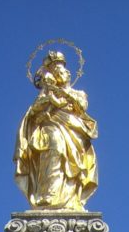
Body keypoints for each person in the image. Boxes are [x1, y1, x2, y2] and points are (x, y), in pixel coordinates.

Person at [14, 50, 98, 211]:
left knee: (72, 163)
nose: (60, 73)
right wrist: (47, 96)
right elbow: (34, 110)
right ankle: (48, 196)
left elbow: (82, 107)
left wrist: (63, 94)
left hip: (73, 130)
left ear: (69, 74)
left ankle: (70, 200)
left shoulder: (78, 93)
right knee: (54, 150)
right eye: (56, 70)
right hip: (50, 126)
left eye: (62, 70)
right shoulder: (47, 93)